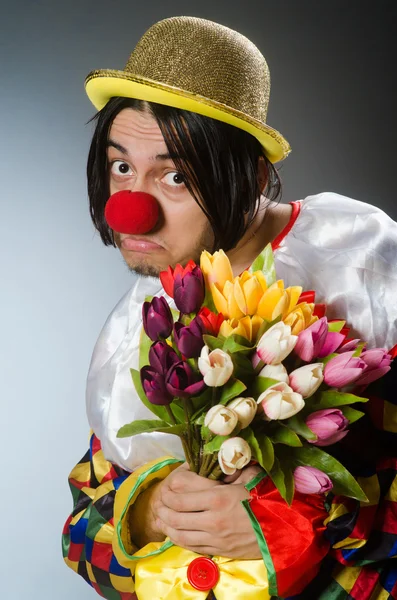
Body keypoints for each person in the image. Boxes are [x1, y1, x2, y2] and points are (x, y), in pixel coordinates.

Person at [62, 16, 397, 600]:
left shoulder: (366, 269)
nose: (131, 210)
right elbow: (81, 528)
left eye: (174, 176)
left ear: (254, 177)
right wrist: (145, 515)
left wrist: (304, 521)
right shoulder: (142, 324)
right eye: (122, 167)